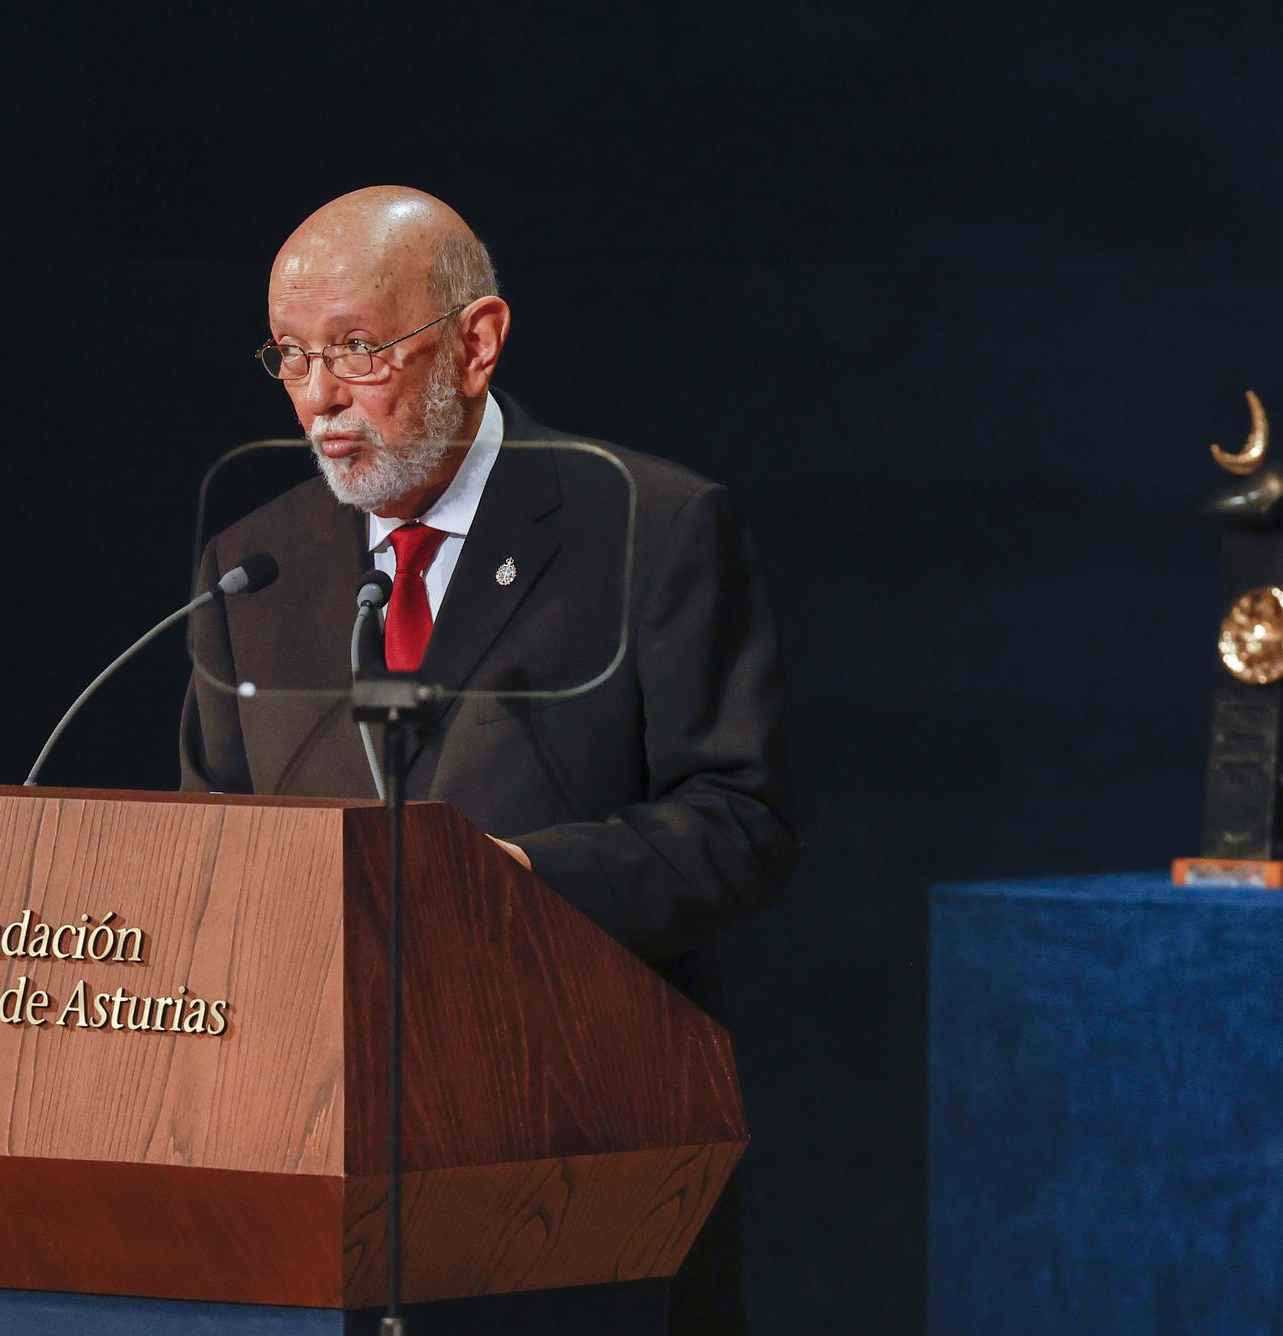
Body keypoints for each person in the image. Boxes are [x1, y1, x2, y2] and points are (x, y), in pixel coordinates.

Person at [179, 186, 796, 1329]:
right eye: (292, 356)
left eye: (357, 350)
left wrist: (519, 883)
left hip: (576, 1170)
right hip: (306, 1185)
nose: (318, 399)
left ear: (476, 341)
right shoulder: (249, 568)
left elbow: (740, 823)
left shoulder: (647, 528)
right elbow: (207, 850)